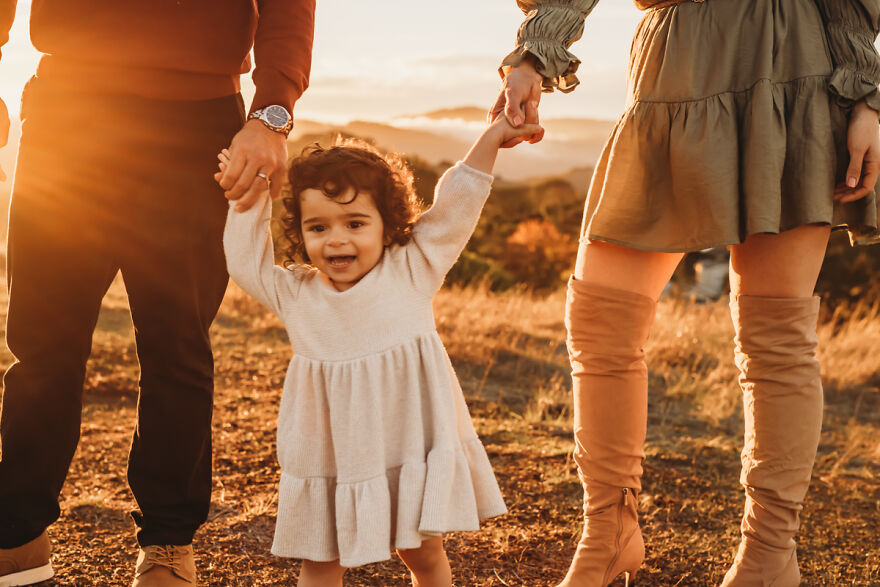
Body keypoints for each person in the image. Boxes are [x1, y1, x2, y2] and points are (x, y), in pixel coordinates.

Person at [492, 0, 880, 585]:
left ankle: (770, 556)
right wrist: (534, 52)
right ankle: (608, 532)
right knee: (600, 321)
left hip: (791, 63)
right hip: (669, 67)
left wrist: (866, 95)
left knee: (775, 337)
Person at [0, 2, 315, 585]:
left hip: (197, 126)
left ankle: (170, 542)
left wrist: (272, 115)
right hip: (70, 113)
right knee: (43, 344)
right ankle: (16, 534)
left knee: (177, 347)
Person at [218, 116, 541, 587]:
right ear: (302, 232)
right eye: (318, 226)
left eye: (355, 223)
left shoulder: (411, 268)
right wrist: (249, 193)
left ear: (388, 226)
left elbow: (456, 206)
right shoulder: (296, 293)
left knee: (424, 556)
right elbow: (245, 259)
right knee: (321, 564)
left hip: (404, 445)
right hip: (329, 458)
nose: (336, 239)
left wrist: (491, 138)